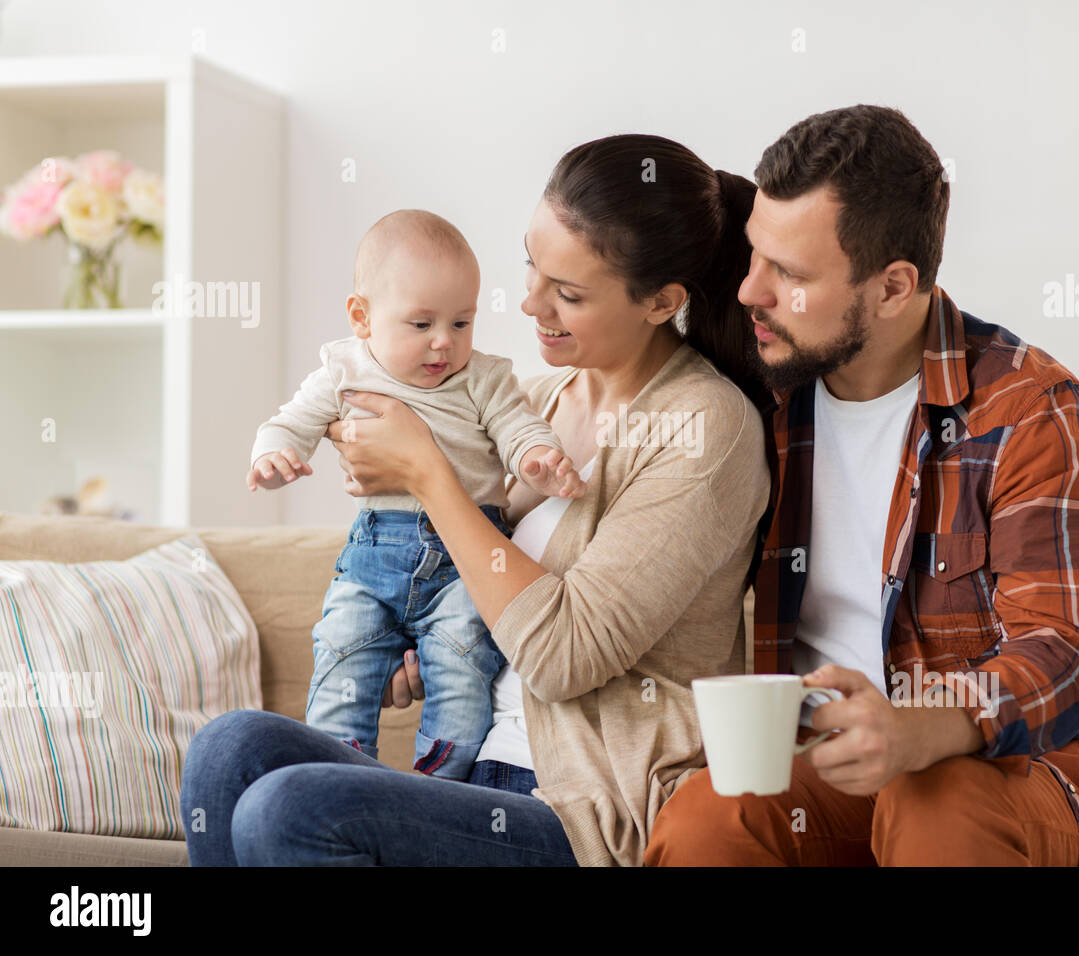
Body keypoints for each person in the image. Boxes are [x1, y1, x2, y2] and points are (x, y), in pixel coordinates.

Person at [179, 133, 770, 866]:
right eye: (532, 264)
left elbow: (562, 656)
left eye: (569, 293)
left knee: (290, 807)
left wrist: (429, 475)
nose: (528, 304)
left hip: (580, 808)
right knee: (231, 749)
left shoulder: (705, 429)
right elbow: (486, 586)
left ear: (663, 302)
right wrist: (414, 633)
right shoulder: (537, 399)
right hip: (470, 773)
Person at [645, 105, 1079, 866]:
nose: (751, 291)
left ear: (893, 287)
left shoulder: (1027, 406)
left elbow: (1066, 649)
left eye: (788, 274)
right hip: (824, 766)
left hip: (1005, 773)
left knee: (937, 804)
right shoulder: (763, 397)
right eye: (756, 256)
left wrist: (921, 727)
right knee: (710, 816)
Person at [246, 209, 584, 779]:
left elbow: (519, 427)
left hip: (464, 563)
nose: (442, 344)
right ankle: (339, 773)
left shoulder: (484, 378)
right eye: (421, 324)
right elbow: (289, 422)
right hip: (374, 557)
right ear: (362, 316)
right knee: (340, 652)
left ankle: (440, 782)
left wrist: (537, 459)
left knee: (460, 665)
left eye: (461, 323)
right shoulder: (342, 371)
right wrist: (273, 454)